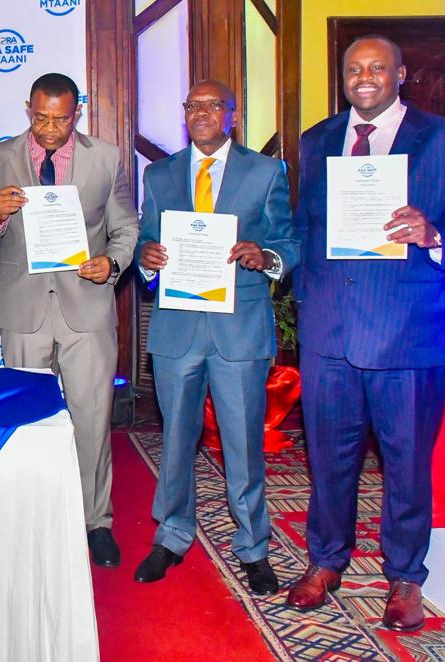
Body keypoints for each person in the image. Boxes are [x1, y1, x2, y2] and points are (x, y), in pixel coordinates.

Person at [286, 36, 445, 631]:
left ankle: (405, 574)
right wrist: (300, 290)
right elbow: (307, 226)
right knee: (328, 460)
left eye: (377, 68)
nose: (364, 78)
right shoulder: (318, 141)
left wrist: (434, 233)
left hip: (409, 334)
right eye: (353, 69)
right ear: (343, 76)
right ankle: (326, 560)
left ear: (400, 74)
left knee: (407, 465)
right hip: (329, 332)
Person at [0, 72, 139, 567]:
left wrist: (113, 263)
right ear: (28, 109)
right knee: (25, 422)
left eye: (60, 119)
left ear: (76, 113)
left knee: (91, 420)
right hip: (25, 311)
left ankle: (95, 522)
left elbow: (126, 228)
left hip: (87, 306)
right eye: (40, 117)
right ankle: (30, 518)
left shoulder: (105, 158)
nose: (49, 129)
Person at [132, 80, 297, 594]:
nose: (200, 112)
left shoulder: (266, 171)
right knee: (175, 440)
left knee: (243, 443)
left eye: (211, 105)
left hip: (238, 329)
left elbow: (287, 241)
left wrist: (264, 256)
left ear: (232, 114)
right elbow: (145, 238)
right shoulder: (159, 174)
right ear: (184, 115)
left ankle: (253, 546)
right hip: (177, 328)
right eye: (192, 106)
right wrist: (146, 259)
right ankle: (172, 534)